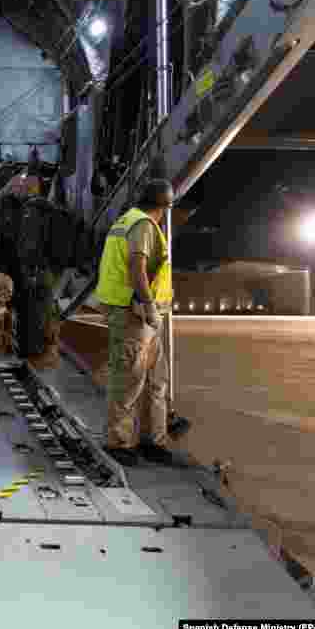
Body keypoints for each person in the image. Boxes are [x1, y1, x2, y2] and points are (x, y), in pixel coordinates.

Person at [94, 180, 188, 468]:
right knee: (129, 380)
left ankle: (153, 440)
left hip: (143, 316)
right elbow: (137, 265)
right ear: (165, 206)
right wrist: (147, 304)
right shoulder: (145, 226)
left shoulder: (125, 220)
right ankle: (119, 443)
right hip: (133, 314)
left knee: (155, 380)